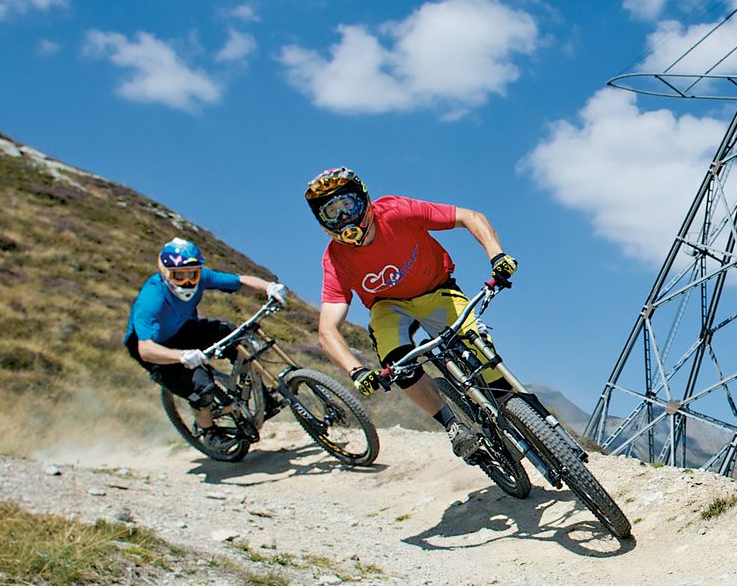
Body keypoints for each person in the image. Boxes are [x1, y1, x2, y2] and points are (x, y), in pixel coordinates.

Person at [303, 166, 519, 462]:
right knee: (397, 362)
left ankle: (527, 420)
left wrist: (497, 255)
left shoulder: (397, 211)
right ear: (322, 221)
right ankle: (452, 426)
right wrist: (357, 371)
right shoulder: (335, 260)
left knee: (483, 356)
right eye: (332, 212)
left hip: (437, 289)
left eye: (347, 205)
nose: (343, 217)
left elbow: (470, 217)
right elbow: (327, 330)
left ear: (362, 199)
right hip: (389, 306)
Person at [125, 237, 288, 440]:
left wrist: (269, 287)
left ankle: (261, 395)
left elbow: (239, 282)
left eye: (192, 274)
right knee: (202, 387)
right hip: (157, 349)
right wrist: (181, 356)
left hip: (184, 329)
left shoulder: (202, 277)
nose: (188, 281)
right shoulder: (151, 299)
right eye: (180, 275)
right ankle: (208, 432)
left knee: (236, 337)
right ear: (167, 274)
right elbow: (146, 349)